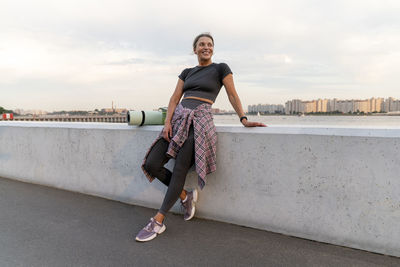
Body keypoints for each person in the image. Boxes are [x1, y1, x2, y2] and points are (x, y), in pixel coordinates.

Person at [135, 33, 267, 242]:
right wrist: (168, 122)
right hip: (179, 120)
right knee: (152, 164)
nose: (206, 47)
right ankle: (185, 196)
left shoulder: (220, 68)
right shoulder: (187, 72)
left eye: (210, 44)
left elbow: (232, 94)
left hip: (199, 122)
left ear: (213, 49)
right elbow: (174, 98)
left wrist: (243, 119)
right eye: (201, 44)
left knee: (179, 169)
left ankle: (158, 221)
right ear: (195, 49)